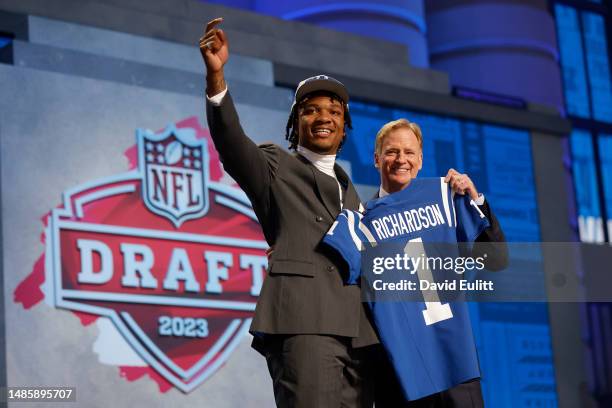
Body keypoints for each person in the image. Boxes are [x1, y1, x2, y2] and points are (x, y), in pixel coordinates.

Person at [199, 17, 378, 408]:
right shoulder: (275, 166)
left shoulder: (352, 192)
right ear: (296, 123)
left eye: (333, 110)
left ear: (344, 125)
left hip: (357, 336)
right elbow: (231, 143)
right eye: (310, 110)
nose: (323, 117)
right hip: (304, 325)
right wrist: (217, 81)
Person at [371, 118, 508, 407]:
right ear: (376, 159)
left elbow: (495, 259)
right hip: (403, 375)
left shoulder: (446, 199)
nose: (401, 160)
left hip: (456, 364)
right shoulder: (363, 222)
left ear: (420, 160)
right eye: (392, 152)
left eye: (409, 153)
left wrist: (475, 200)